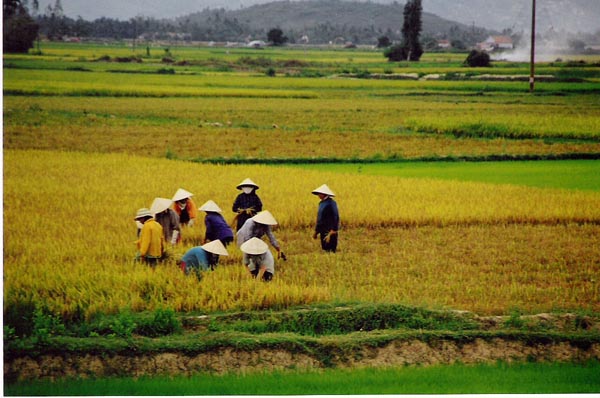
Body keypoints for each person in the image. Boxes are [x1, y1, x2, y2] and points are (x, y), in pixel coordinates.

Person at [312, 184, 340, 253]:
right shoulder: (321, 203)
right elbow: (320, 219)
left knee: (331, 250)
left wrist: (334, 230)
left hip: (330, 231)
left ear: (324, 194)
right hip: (323, 230)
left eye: (319, 193)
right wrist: (316, 231)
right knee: (325, 249)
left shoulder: (331, 203)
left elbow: (335, 216)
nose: (318, 195)